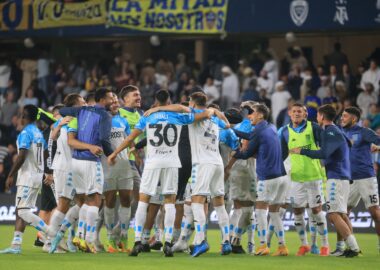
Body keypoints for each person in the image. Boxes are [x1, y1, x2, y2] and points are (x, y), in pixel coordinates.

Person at [108, 90, 213, 257]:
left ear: (156, 101)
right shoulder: (179, 117)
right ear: (170, 101)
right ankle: (168, 243)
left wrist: (114, 153)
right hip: (172, 162)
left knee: (144, 201)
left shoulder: (147, 117)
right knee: (170, 202)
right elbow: (205, 113)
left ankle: (137, 242)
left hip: (152, 163)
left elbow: (129, 139)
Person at [290, 104, 361, 257]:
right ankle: (352, 247)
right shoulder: (335, 131)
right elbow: (347, 143)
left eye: (318, 115)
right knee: (341, 214)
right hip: (341, 176)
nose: (317, 118)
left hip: (337, 177)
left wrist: (302, 150)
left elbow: (324, 153)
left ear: (322, 116)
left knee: (333, 214)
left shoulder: (331, 131)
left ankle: (353, 248)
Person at [227, 103, 288, 256]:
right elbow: (251, 136)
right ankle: (282, 247)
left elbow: (246, 154)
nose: (249, 116)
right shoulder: (270, 127)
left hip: (268, 178)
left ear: (260, 115)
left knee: (260, 211)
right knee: (274, 213)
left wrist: (235, 154)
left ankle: (263, 245)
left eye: (252, 113)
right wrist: (233, 130)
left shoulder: (259, 132)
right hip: (281, 176)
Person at [59, 88, 114, 253]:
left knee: (86, 201)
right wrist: (111, 155)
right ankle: (89, 240)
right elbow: (104, 138)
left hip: (76, 161)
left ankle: (79, 237)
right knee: (96, 200)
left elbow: (62, 110)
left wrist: (72, 113)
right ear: (103, 100)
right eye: (111, 98)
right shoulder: (105, 115)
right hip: (91, 161)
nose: (113, 101)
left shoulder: (81, 110)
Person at [278, 103, 329, 256]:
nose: (297, 114)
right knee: (297, 211)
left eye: (300, 111)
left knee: (316, 210)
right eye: (294, 111)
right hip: (295, 178)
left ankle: (325, 245)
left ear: (305, 114)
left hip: (313, 177)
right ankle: (304, 244)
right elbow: (282, 155)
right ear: (289, 113)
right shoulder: (285, 131)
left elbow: (325, 147)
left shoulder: (313, 128)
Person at [0, 105, 51, 254]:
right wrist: (41, 168)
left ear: (24, 117)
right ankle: (16, 245)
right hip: (36, 177)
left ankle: (52, 234)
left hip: (27, 177)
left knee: (22, 212)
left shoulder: (25, 133)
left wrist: (10, 175)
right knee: (23, 209)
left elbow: (21, 156)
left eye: (22, 115)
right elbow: (46, 155)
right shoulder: (39, 134)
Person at [47, 94, 87, 254]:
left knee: (83, 203)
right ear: (75, 104)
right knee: (63, 204)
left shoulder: (78, 119)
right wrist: (58, 125)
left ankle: (66, 238)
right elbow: (52, 136)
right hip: (63, 167)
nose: (85, 102)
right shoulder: (65, 120)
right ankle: (49, 240)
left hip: (75, 167)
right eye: (82, 101)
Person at [340, 107, 380, 254]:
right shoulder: (340, 132)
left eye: (345, 116)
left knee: (375, 213)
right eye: (342, 116)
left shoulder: (364, 132)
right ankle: (350, 246)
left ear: (354, 119)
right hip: (348, 179)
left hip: (366, 177)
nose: (342, 118)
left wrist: (378, 147)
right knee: (341, 213)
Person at [102, 95, 135, 253]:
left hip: (123, 165)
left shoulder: (123, 121)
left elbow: (130, 141)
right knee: (108, 202)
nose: (116, 104)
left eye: (117, 102)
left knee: (126, 201)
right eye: (113, 102)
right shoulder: (102, 120)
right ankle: (109, 238)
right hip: (107, 166)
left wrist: (134, 151)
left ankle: (123, 236)